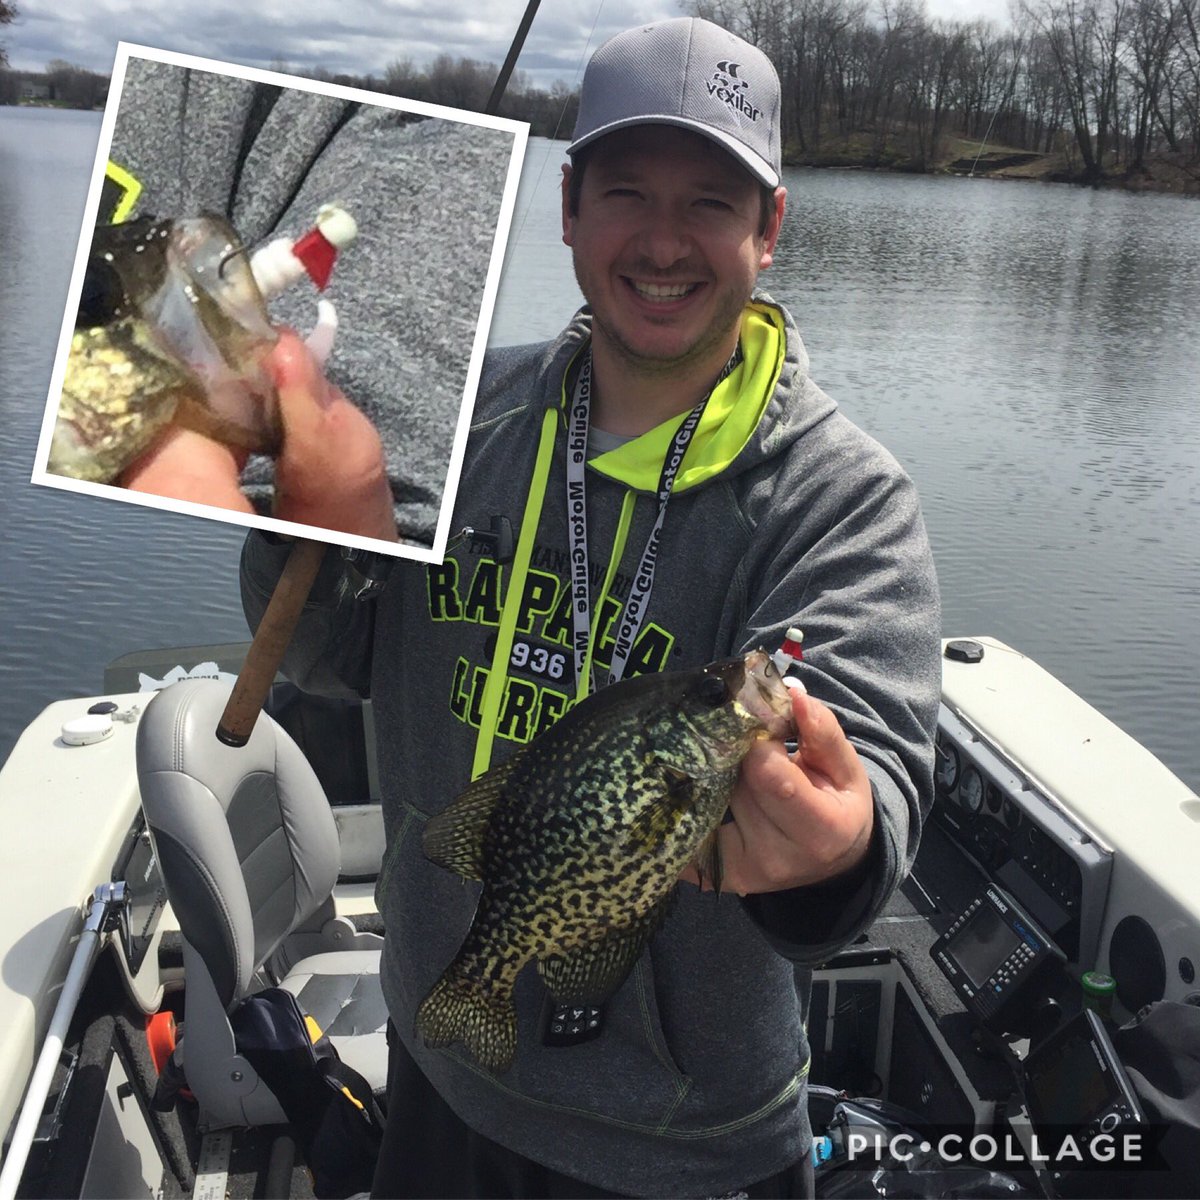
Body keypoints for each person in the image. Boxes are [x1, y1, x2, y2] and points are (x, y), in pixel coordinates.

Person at [236, 17, 942, 1199]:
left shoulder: (841, 501)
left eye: (711, 202)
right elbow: (326, 657)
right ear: (568, 205)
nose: (664, 241)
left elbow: (866, 788)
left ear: (769, 229)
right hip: (440, 1053)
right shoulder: (451, 416)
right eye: (627, 191)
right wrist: (293, 521)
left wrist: (835, 850)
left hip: (686, 1144)